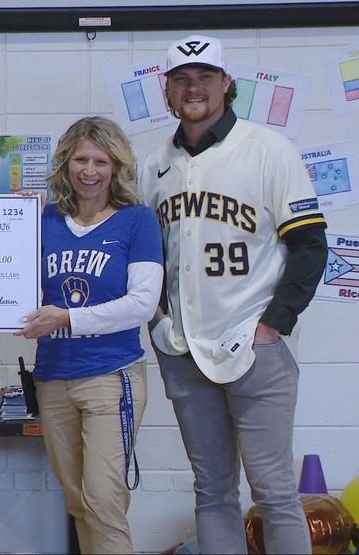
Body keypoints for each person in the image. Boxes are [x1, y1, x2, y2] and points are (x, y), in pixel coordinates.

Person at [140, 35, 327, 553]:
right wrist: (157, 321)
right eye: (181, 79)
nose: (193, 88)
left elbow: (310, 246)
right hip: (182, 349)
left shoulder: (268, 149)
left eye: (204, 77)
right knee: (212, 490)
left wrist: (273, 325)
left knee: (273, 492)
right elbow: (144, 259)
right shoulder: (153, 164)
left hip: (254, 344)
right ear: (166, 91)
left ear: (227, 84)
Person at [14, 116, 163, 554]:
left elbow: (141, 303)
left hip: (110, 377)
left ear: (117, 167)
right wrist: (8, 220)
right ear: (65, 162)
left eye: (101, 160)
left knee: (103, 499)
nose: (90, 170)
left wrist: (67, 318)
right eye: (81, 158)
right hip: (53, 377)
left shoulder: (137, 222)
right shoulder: (44, 219)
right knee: (78, 500)